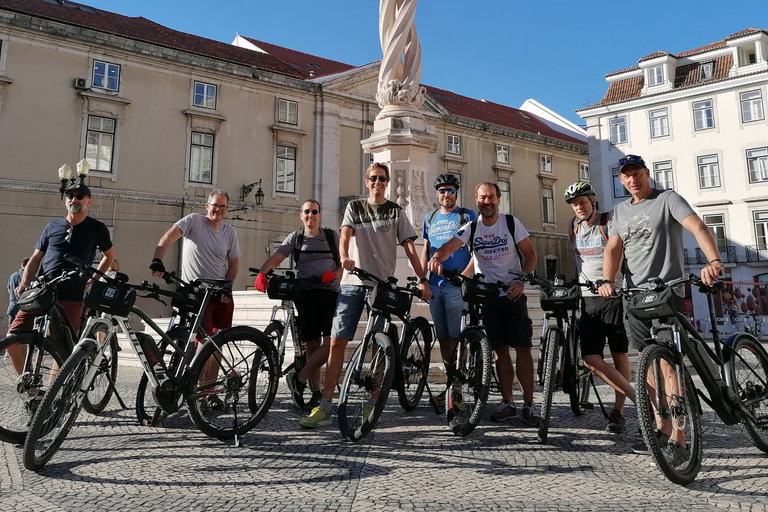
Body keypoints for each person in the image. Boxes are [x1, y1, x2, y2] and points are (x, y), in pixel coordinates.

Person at [597, 154, 723, 458]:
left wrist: (714, 260)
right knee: (648, 364)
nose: (632, 180)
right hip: (635, 295)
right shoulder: (619, 212)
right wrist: (606, 280)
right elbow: (614, 247)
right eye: (626, 176)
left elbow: (696, 226)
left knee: (668, 363)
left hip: (668, 291)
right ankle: (660, 427)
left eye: (636, 173)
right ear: (621, 180)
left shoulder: (667, 199)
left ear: (646, 173)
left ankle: (679, 437)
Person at [299, 162, 431, 428]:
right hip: (352, 282)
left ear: (388, 181)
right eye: (373, 178)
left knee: (380, 344)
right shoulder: (355, 207)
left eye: (382, 179)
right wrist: (344, 256)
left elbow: (409, 247)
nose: (378, 182)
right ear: (366, 180)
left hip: (382, 286)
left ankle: (372, 401)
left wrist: (422, 279)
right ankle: (325, 405)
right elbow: (345, 234)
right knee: (336, 341)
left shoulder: (395, 211)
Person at [428, 182, 539, 426]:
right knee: (500, 352)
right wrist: (437, 257)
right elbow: (449, 246)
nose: (486, 201)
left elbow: (530, 254)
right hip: (488, 296)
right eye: (482, 197)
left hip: (512, 294)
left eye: (491, 197)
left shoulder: (511, 223)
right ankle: (508, 403)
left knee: (522, 349)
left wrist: (521, 282)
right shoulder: (472, 227)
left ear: (499, 199)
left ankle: (529, 404)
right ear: (476, 200)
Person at [9, 183, 115, 371]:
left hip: (72, 294)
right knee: (12, 338)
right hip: (42, 290)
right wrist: (25, 281)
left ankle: (54, 396)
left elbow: (109, 255)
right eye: (70, 196)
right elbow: (36, 257)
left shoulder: (97, 228)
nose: (74, 200)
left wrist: (94, 279)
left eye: (79, 196)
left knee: (62, 349)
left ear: (88, 202)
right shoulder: (52, 226)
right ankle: (29, 382)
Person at [564, 181, 635, 433]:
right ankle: (638, 397)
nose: (578, 208)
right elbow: (578, 261)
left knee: (619, 355)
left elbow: (620, 252)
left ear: (593, 201)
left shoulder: (608, 221)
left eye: (582, 202)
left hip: (612, 295)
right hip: (587, 298)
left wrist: (611, 281)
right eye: (574, 205)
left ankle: (618, 410)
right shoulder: (573, 226)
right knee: (590, 359)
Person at [254, 199, 342, 403]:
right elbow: (277, 258)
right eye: (306, 212)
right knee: (312, 343)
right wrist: (262, 274)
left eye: (314, 211)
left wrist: (335, 275)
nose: (310, 215)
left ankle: (299, 377)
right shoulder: (296, 237)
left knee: (331, 343)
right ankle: (315, 392)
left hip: (329, 292)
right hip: (306, 293)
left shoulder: (331, 236)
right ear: (301, 215)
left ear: (319, 215)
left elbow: (342, 263)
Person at [419, 173, 476, 407]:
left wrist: (466, 277)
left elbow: (475, 249)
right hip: (435, 286)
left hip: (455, 286)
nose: (446, 194)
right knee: (443, 338)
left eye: (450, 190)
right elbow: (425, 250)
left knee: (457, 337)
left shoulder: (467, 215)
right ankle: (451, 384)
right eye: (442, 190)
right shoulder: (429, 217)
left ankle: (459, 389)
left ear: (456, 193)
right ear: (437, 193)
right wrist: (422, 279)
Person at [150, 189, 240, 336]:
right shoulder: (193, 221)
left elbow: (234, 264)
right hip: (195, 293)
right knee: (202, 340)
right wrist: (157, 260)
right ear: (207, 206)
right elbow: (166, 238)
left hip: (219, 294)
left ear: (227, 209)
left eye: (223, 206)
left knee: (219, 341)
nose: (219, 209)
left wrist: (227, 287)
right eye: (215, 205)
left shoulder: (230, 232)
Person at [6, 257, 30, 333]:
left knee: (11, 334)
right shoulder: (29, 277)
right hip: (24, 309)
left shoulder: (12, 276)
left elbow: (9, 290)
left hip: (12, 308)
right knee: (26, 335)